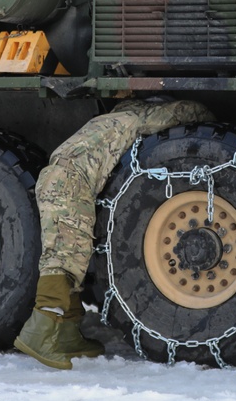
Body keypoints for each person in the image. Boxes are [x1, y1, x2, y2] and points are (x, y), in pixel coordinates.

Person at [14, 97, 214, 370]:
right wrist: (206, 115)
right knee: (65, 259)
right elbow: (179, 112)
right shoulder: (135, 121)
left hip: (60, 176)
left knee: (75, 257)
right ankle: (37, 333)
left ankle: (69, 334)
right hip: (70, 182)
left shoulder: (114, 118)